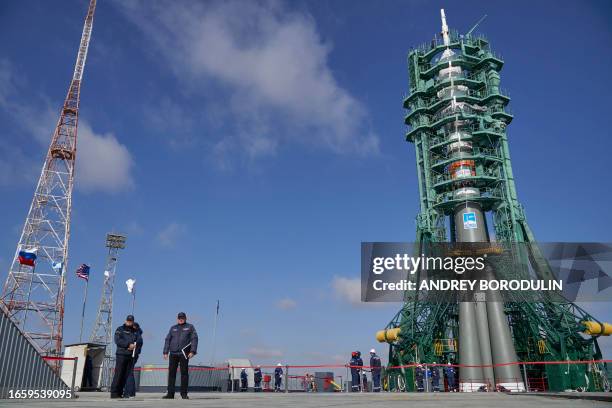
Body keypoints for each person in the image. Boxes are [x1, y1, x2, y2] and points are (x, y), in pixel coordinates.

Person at [162, 312, 198, 399]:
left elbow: (194, 339)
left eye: (182, 318)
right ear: (177, 319)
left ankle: (184, 394)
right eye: (179, 318)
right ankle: (170, 394)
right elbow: (167, 339)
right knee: (171, 374)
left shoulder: (190, 327)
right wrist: (165, 352)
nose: (181, 319)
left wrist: (192, 351)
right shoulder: (173, 328)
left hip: (184, 354)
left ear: (185, 318)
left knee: (184, 374)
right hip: (173, 353)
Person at [110, 315, 140, 398]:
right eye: (128, 320)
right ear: (125, 320)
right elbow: (117, 340)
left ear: (133, 321)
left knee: (125, 375)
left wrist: (135, 347)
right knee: (118, 373)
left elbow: (138, 340)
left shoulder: (135, 331)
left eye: (131, 321)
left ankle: (120, 393)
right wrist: (128, 345)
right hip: (121, 354)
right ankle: (114, 393)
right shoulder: (120, 329)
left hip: (130, 356)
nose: (129, 322)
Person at [124, 322, 143, 398]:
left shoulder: (137, 335)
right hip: (133, 355)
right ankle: (132, 392)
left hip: (132, 355)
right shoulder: (137, 335)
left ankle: (128, 392)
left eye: (133, 327)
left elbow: (137, 346)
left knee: (129, 373)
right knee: (129, 373)